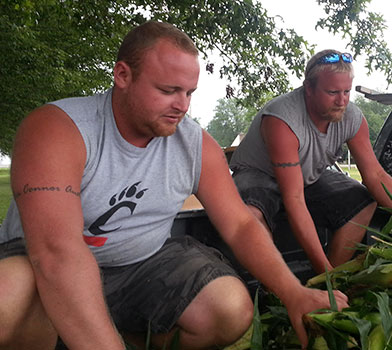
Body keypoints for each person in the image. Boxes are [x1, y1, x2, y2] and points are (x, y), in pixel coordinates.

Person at [0, 22, 348, 350]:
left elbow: (241, 225)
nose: (182, 106)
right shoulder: (59, 128)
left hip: (142, 266)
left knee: (230, 309)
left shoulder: (193, 143)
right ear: (123, 75)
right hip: (40, 263)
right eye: (168, 90)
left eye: (189, 92)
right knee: (8, 296)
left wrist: (293, 292)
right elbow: (57, 253)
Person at [229, 49, 392, 274]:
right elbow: (294, 198)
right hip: (260, 172)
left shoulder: (353, 118)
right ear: (308, 88)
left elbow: (375, 175)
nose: (342, 101)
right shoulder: (282, 120)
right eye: (332, 92)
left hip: (308, 174)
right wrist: (321, 267)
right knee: (252, 214)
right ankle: (277, 288)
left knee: (363, 202)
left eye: (346, 91)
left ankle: (333, 278)